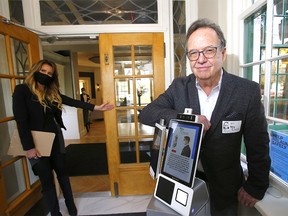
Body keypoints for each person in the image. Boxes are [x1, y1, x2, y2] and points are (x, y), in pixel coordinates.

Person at [139, 18, 271, 216]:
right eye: (193, 53)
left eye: (209, 50)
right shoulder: (179, 87)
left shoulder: (246, 91)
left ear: (222, 53)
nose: (200, 59)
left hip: (226, 190)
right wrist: (188, 120)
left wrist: (256, 186)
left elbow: (258, 144)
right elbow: (147, 114)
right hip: (183, 184)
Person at [12, 59, 114, 216]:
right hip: (36, 143)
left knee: (63, 174)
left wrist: (95, 107)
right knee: (46, 180)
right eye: (43, 71)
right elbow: (21, 121)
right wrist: (29, 148)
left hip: (55, 140)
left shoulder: (51, 92)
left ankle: (71, 206)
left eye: (50, 73)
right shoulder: (22, 91)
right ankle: (55, 212)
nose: (46, 75)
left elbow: (71, 101)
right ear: (35, 71)